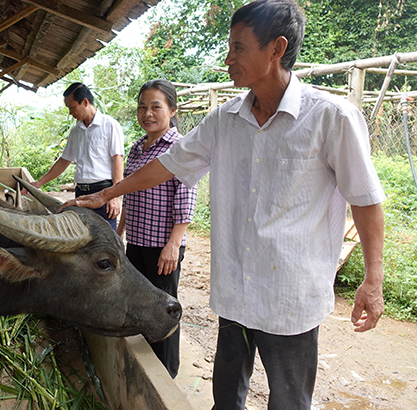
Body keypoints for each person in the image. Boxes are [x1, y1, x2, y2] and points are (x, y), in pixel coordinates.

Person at [61, 1, 385, 408]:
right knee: (226, 398)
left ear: (276, 49)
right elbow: (168, 165)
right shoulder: (224, 120)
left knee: (288, 401)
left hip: (290, 298)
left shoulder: (330, 118)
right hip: (236, 292)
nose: (228, 59)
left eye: (238, 47)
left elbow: (366, 200)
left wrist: (373, 278)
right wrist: (109, 192)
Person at [119, 79, 197, 378]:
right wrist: (120, 233)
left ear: (172, 110)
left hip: (162, 245)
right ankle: (146, 366)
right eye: (142, 107)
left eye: (155, 107)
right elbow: (130, 193)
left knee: (163, 309)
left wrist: (173, 245)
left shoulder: (180, 147)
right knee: (139, 304)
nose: (147, 113)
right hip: (137, 241)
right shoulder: (137, 148)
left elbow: (186, 199)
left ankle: (167, 373)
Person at [31, 82, 124, 229]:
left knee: (106, 242)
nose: (70, 112)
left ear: (85, 102)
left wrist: (114, 196)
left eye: (72, 107)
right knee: (83, 239)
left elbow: (118, 160)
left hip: (103, 192)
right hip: (80, 193)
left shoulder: (110, 125)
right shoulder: (76, 131)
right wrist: (39, 182)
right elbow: (64, 161)